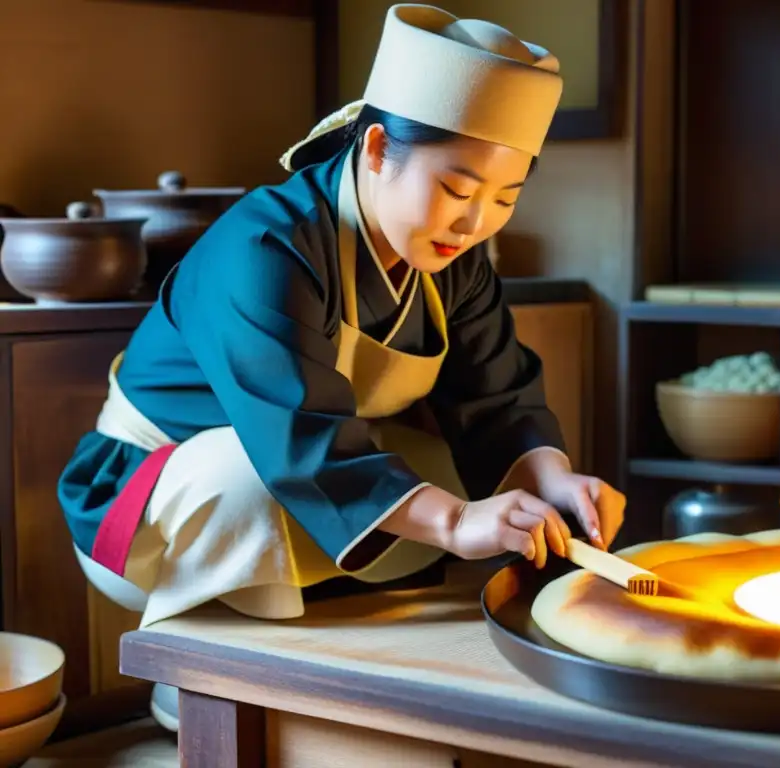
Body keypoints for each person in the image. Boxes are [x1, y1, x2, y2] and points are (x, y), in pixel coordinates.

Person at [57, 3, 626, 732]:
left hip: (299, 466)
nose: (474, 221)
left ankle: (328, 652)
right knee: (258, 475)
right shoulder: (263, 245)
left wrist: (554, 485)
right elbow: (297, 438)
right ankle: (197, 671)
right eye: (457, 190)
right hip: (148, 494)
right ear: (381, 147)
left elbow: (499, 397)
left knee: (472, 485)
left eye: (504, 198)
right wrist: (454, 521)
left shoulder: (451, 260)